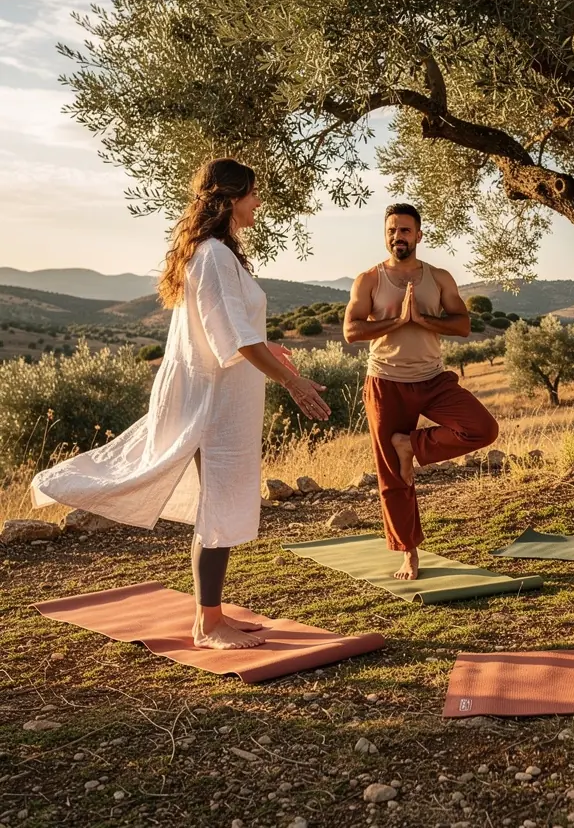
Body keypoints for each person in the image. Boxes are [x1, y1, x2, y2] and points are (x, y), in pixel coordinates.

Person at [32, 158, 331, 650]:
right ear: (230, 199)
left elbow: (230, 327)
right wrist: (292, 383)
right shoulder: (213, 255)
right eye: (253, 194)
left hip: (224, 400)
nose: (259, 203)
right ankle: (209, 625)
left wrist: (269, 348)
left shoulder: (218, 254)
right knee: (219, 505)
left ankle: (209, 616)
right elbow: (231, 336)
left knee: (223, 504)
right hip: (211, 404)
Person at [344, 203, 499, 581]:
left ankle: (410, 445)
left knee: (482, 428)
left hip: (432, 379)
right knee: (393, 477)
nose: (398, 236)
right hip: (385, 381)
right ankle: (408, 553)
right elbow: (351, 331)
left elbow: (462, 325)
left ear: (418, 235)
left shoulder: (439, 278)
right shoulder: (369, 279)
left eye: (405, 230)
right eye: (392, 230)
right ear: (386, 235)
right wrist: (398, 321)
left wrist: (422, 319)